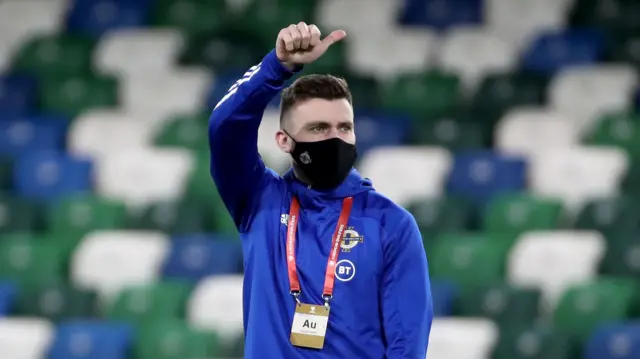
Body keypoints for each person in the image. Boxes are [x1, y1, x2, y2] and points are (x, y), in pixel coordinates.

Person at [209, 22, 433, 359]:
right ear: (284, 141)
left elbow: (407, 344)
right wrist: (277, 66)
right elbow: (224, 128)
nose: (335, 138)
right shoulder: (259, 200)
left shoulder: (391, 224)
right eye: (318, 128)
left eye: (344, 127)